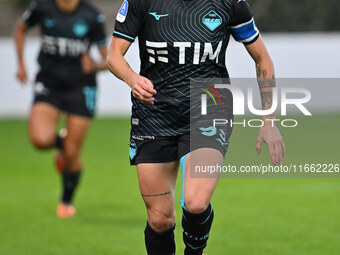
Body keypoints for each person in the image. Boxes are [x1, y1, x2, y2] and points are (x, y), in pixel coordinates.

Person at [106, 0, 285, 254]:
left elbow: (262, 59)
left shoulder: (230, 3)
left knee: (196, 202)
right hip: (154, 114)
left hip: (209, 110)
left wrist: (269, 120)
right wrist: (133, 78)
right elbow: (114, 55)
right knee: (160, 219)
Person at [14, 0, 107, 218]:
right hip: (49, 82)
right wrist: (21, 64)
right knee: (40, 139)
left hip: (82, 86)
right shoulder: (42, 7)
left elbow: (108, 59)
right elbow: (20, 29)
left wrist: (95, 65)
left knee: (72, 153)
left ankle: (66, 200)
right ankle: (60, 143)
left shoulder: (92, 15)